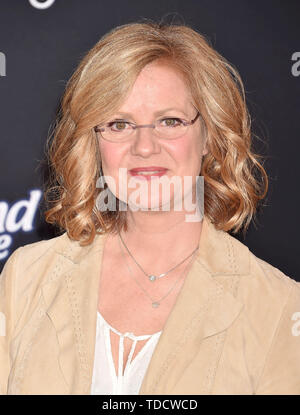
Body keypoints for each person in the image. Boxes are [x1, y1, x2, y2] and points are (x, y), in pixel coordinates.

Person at [1, 20, 300, 396]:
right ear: (93, 140)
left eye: (169, 121)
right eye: (119, 124)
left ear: (209, 135)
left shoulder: (277, 308)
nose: (144, 147)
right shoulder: (25, 278)